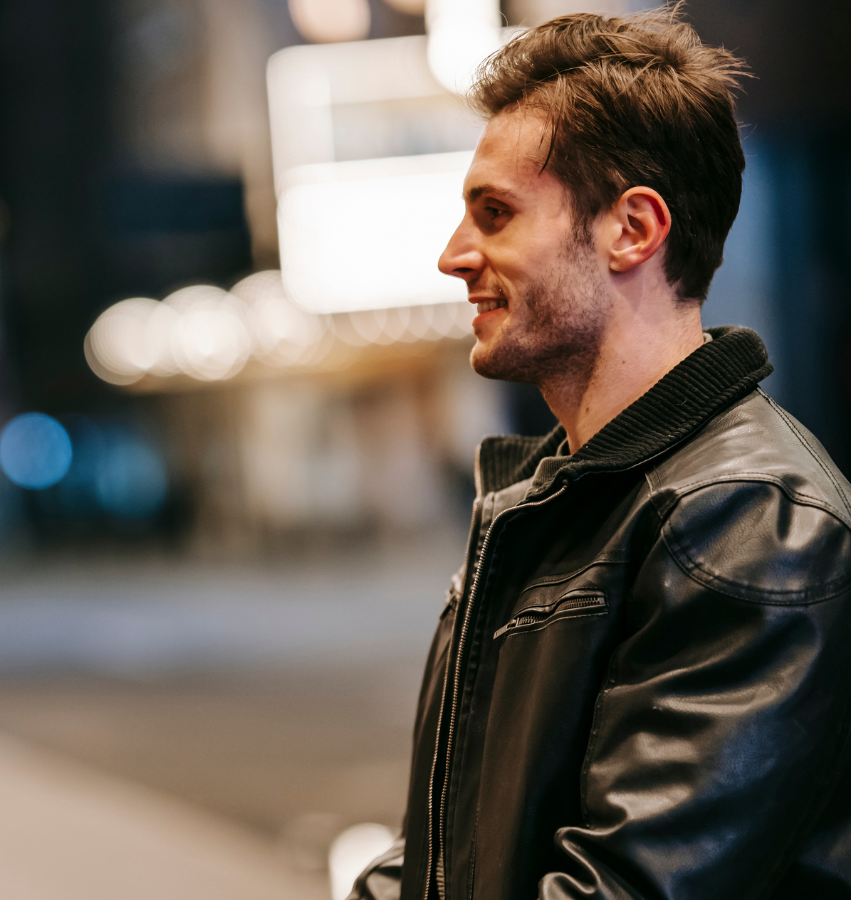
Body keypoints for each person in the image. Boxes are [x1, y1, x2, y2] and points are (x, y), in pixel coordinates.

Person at [348, 10, 851, 900]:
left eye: (495, 214)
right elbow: (440, 850)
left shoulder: (748, 522)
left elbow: (626, 888)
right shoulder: (551, 503)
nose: (453, 256)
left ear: (632, 229)